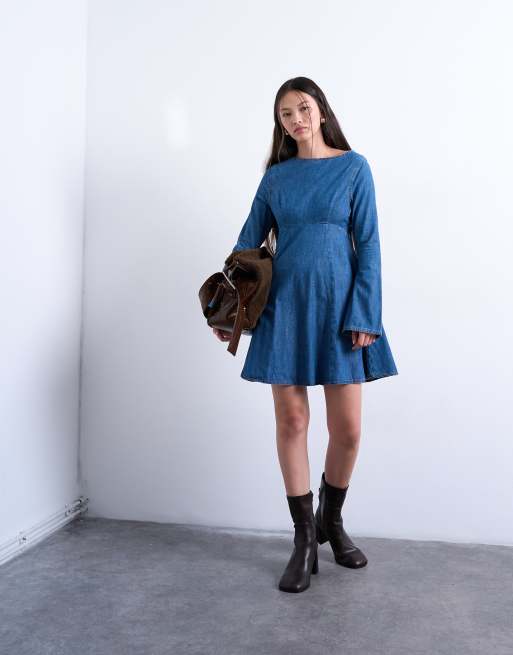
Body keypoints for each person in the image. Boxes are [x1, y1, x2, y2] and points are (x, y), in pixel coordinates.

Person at [213, 76, 398, 593]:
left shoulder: (354, 167)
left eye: (303, 108)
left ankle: (330, 520)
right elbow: (247, 246)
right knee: (293, 422)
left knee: (349, 430)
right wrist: (228, 313)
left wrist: (365, 314)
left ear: (321, 111)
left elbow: (370, 244)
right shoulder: (276, 178)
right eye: (285, 114)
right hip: (285, 310)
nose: (296, 119)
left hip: (341, 310)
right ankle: (303, 540)